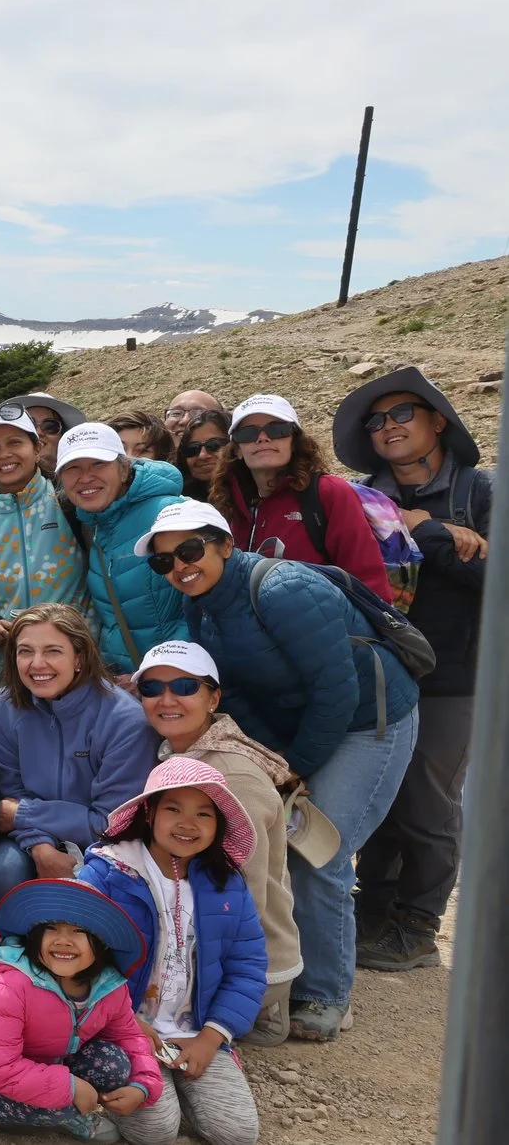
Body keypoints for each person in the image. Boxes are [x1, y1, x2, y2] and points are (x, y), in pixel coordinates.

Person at [145, 498, 418, 1042]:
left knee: (323, 853)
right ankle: (283, 981)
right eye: (164, 561)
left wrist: (295, 770)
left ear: (225, 544)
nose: (179, 565)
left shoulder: (284, 589)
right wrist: (268, 759)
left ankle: (326, 993)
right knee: (284, 844)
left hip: (370, 720)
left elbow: (336, 690)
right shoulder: (202, 604)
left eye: (191, 550)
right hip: (301, 722)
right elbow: (238, 693)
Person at [337, 367, 490, 972]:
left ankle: (419, 922)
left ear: (438, 423)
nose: (387, 427)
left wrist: (426, 533)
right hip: (378, 669)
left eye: (402, 414)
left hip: (456, 674)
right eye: (376, 421)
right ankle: (374, 905)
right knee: (380, 792)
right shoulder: (357, 498)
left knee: (428, 798)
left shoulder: (480, 495)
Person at [79, 760, 269, 1145]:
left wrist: (211, 1038)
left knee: (237, 1133)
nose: (188, 823)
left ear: (218, 826)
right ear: (149, 813)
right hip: (123, 1027)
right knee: (155, 1131)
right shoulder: (108, 873)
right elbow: (80, 962)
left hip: (197, 1030)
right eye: (173, 809)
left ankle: (184, 1072)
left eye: (204, 813)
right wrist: (127, 1022)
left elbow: (247, 967)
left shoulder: (227, 885)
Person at [132, 640, 302, 1044]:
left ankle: (263, 1012)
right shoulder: (183, 753)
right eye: (152, 689)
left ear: (214, 698)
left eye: (185, 687)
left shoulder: (231, 774)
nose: (166, 699)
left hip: (247, 963)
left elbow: (243, 900)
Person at [0, 878, 162, 1144]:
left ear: (100, 944)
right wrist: (70, 1088)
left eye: (79, 931)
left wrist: (142, 1085)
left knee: (115, 1065)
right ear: (34, 938)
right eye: (51, 929)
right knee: (63, 1103)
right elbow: (0, 1069)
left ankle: (60, 1108)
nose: (63, 940)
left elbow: (130, 1037)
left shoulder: (109, 988)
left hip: (49, 1060)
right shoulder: (9, 987)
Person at [0, 604, 150, 913]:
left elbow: (109, 822)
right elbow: (11, 792)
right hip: (32, 839)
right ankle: (0, 960)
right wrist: (41, 848)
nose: (37, 664)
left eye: (53, 651)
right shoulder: (4, 706)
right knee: (0, 871)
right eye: (25, 651)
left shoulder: (125, 720)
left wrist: (23, 814)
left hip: (106, 846)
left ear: (80, 657)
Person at [0, 400, 90, 693]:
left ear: (37, 448)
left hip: (78, 671)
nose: (4, 454)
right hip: (6, 677)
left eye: (14, 442)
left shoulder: (70, 503)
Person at [214, 392, 394, 600]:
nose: (263, 438)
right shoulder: (230, 504)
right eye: (247, 433)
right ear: (236, 449)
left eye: (277, 429)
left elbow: (367, 578)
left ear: (294, 441)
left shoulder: (328, 492)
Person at [57, 423, 193, 673]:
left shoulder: (170, 515)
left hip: (176, 681)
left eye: (99, 464)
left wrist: (161, 673)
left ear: (124, 469)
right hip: (129, 685)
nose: (85, 477)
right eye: (72, 467)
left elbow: (206, 605)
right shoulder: (93, 525)